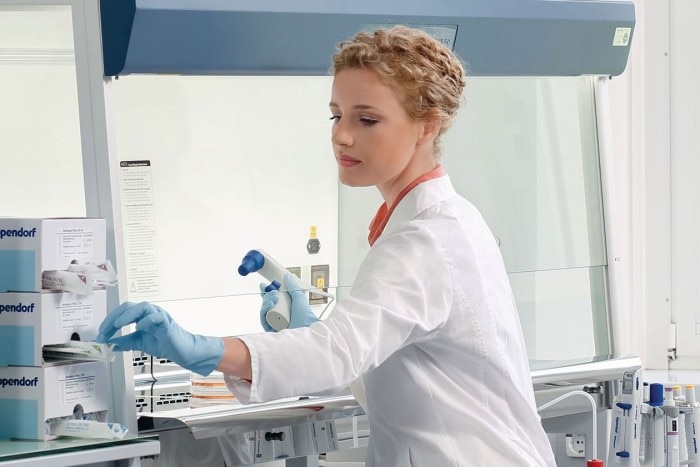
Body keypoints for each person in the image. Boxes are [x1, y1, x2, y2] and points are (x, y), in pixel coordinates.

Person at [97, 26, 556, 466]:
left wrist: (206, 349)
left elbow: (337, 351)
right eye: (337, 115)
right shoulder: (446, 221)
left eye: (367, 119)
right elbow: (412, 373)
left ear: (427, 126)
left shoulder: (425, 241)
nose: (341, 135)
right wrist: (309, 330)